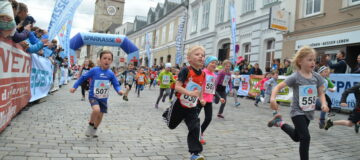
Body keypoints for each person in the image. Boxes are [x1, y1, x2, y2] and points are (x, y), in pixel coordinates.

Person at [267, 46, 329, 160]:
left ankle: (279, 122)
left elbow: (321, 93)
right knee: (305, 137)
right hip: (297, 111)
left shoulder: (317, 77)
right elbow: (277, 87)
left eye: (314, 60)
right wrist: (272, 99)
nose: (313, 62)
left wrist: (324, 103)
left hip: (309, 112)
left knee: (297, 137)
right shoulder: (295, 76)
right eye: (309, 59)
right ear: (300, 61)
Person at [163, 45, 206, 160]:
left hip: (192, 106)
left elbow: (200, 88)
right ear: (189, 58)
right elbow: (177, 87)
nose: (201, 57)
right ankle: (167, 114)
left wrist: (201, 99)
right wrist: (189, 93)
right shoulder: (186, 70)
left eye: (203, 55)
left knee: (195, 126)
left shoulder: (203, 74)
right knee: (171, 125)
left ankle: (195, 153)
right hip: (179, 104)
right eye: (197, 55)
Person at [70, 50, 124, 137]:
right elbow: (83, 77)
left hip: (103, 98)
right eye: (105, 58)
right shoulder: (94, 70)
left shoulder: (111, 73)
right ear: (100, 60)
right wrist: (75, 86)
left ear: (111, 61)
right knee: (96, 110)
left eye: (109, 59)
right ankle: (90, 125)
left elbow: (116, 84)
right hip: (93, 96)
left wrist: (119, 91)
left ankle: (94, 129)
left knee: (100, 116)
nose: (107, 60)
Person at [199, 56, 224, 145]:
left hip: (209, 100)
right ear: (207, 64)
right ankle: (195, 134)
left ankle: (200, 133)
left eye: (215, 63)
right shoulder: (202, 73)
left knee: (208, 119)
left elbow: (212, 88)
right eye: (212, 62)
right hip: (200, 99)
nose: (214, 65)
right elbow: (199, 86)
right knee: (194, 119)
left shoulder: (214, 75)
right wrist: (201, 98)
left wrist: (219, 97)